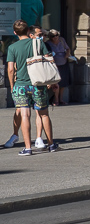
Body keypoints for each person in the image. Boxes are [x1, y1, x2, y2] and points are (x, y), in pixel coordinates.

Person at [5, 19, 56, 155]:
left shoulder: (12, 48)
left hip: (20, 85)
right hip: (38, 84)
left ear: (15, 33)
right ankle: (51, 144)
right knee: (44, 114)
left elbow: (10, 69)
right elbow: (49, 60)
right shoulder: (39, 43)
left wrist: (12, 85)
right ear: (29, 31)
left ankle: (28, 148)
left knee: (25, 115)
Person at [44, 29, 72, 106]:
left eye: (56, 35)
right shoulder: (48, 43)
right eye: (53, 36)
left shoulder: (62, 40)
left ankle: (61, 99)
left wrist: (67, 54)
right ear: (50, 37)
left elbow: (67, 48)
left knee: (63, 82)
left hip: (64, 63)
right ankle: (55, 99)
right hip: (55, 65)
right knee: (56, 83)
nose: (55, 37)